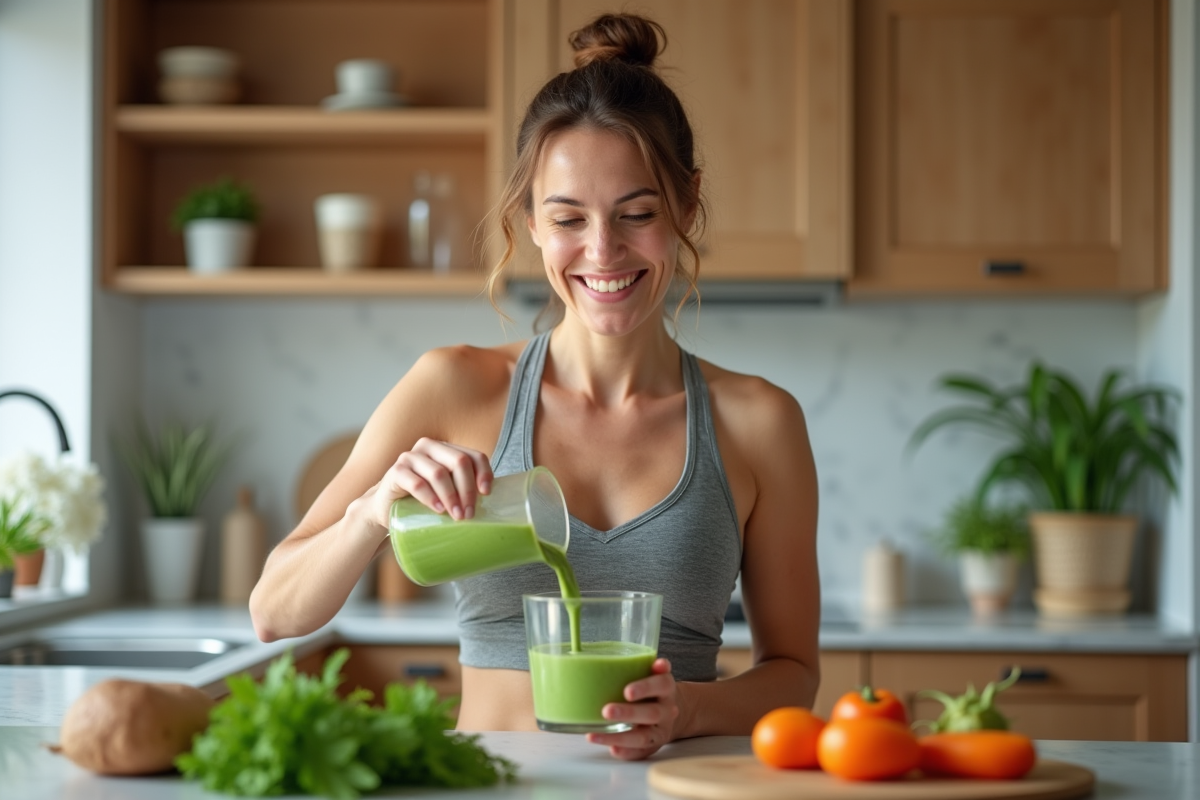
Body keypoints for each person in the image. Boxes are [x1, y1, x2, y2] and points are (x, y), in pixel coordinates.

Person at [249, 11, 819, 761]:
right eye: (567, 218)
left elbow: (794, 674)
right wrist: (371, 512)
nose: (603, 251)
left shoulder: (758, 422)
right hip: (489, 783)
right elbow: (274, 612)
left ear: (686, 204)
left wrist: (687, 711)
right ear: (531, 223)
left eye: (637, 214)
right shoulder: (453, 388)